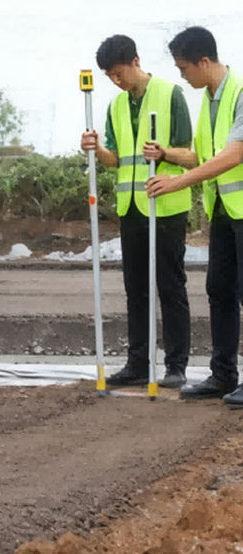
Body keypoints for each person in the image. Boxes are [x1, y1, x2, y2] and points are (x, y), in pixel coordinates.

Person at [80, 34, 195, 388]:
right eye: (110, 76)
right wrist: (96, 149)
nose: (116, 81)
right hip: (131, 207)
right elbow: (116, 159)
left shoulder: (171, 94)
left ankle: (176, 366)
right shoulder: (116, 106)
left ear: (135, 61)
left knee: (170, 287)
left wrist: (164, 153)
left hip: (166, 206)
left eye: (119, 73)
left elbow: (192, 155)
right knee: (136, 288)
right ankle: (138, 363)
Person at [147, 26, 243, 405]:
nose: (182, 76)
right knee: (219, 289)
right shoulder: (209, 100)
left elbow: (235, 153)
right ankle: (223, 375)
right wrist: (166, 155)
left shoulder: (240, 92)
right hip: (223, 211)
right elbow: (203, 157)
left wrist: (179, 182)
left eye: (184, 68)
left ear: (204, 61)